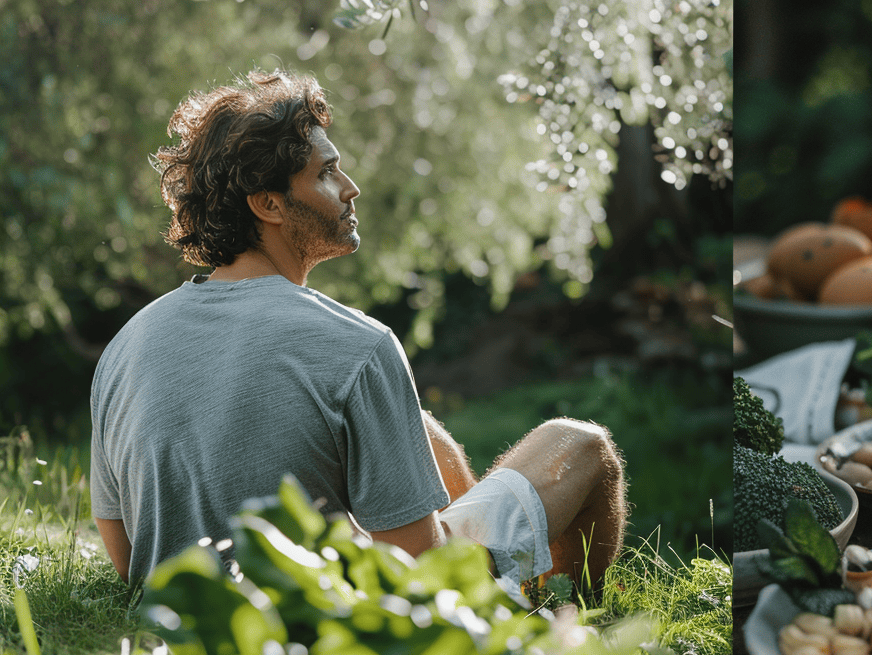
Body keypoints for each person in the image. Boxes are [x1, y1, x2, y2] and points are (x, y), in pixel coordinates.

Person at [89, 70, 626, 601]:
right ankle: (571, 617)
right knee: (582, 444)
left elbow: (124, 551)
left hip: (189, 620)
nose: (351, 188)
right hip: (351, 632)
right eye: (327, 173)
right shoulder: (356, 344)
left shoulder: (125, 347)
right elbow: (416, 573)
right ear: (268, 204)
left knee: (415, 425)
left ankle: (521, 589)